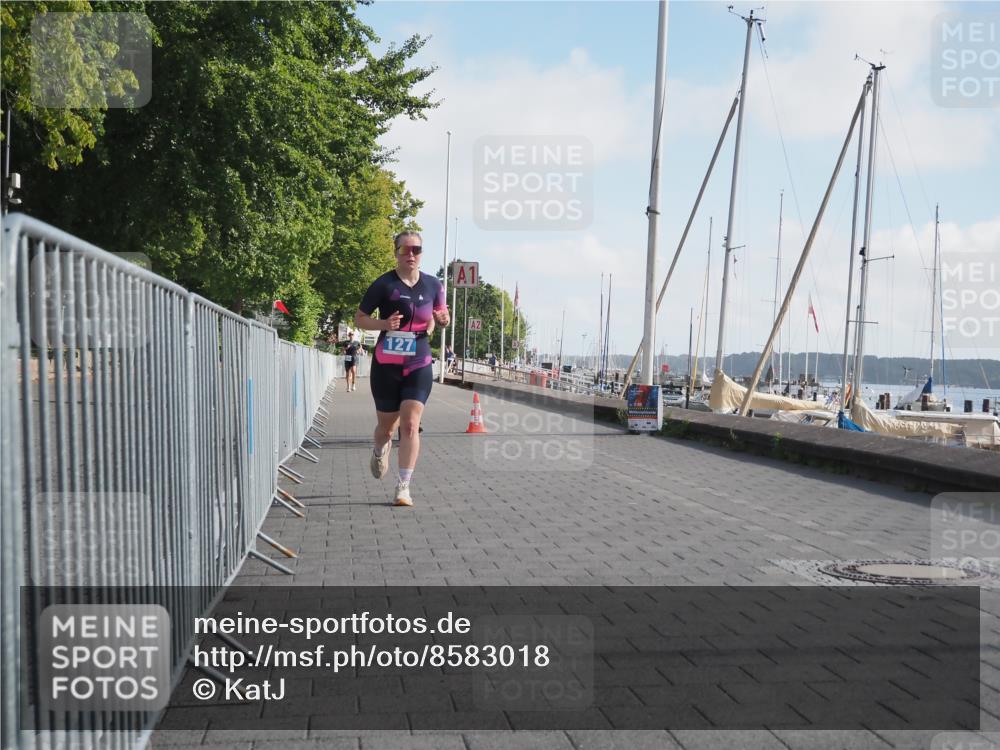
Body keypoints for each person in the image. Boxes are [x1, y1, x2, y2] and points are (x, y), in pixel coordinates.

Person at [354, 231, 449, 507]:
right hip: (386, 364)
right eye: (405, 249)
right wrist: (384, 324)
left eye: (416, 249)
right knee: (386, 427)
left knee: (410, 424)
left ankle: (403, 486)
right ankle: (380, 448)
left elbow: (442, 316)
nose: (411, 254)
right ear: (396, 252)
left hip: (418, 360)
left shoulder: (433, 285)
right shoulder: (383, 284)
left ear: (421, 253)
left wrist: (442, 319)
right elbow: (359, 319)